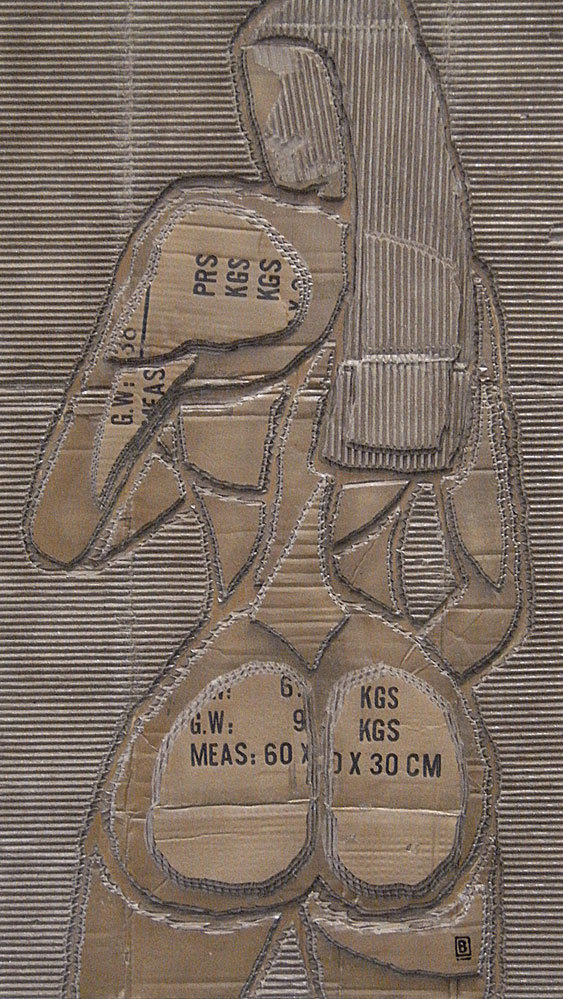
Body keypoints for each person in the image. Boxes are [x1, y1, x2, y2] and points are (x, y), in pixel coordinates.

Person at [25, 1, 529, 996]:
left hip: (223, 714)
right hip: (402, 738)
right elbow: (492, 600)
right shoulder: (453, 295)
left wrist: (155, 386)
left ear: (286, 112)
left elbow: (62, 533)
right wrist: (388, 680)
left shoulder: (195, 244)